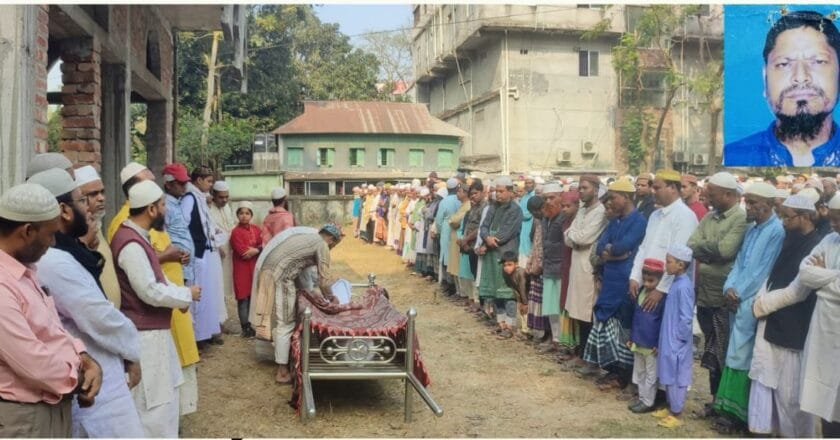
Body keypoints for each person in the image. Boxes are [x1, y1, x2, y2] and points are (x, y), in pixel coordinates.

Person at [31, 168, 144, 438]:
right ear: (65, 211)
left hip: (101, 369)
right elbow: (98, 316)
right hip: (96, 385)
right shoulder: (53, 261)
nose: (90, 208)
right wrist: (132, 350)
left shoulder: (68, 250)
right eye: (83, 200)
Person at [0, 182, 102, 438]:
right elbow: (32, 361)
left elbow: (53, 329)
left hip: (51, 407)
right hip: (23, 417)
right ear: (28, 231)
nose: (53, 242)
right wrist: (81, 378)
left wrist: (86, 359)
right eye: (50, 234)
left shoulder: (25, 272)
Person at [108, 162, 201, 417]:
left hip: (160, 323)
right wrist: (185, 294)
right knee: (151, 410)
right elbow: (148, 288)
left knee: (164, 400)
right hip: (145, 333)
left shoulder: (141, 232)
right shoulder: (128, 237)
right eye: (162, 205)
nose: (165, 209)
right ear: (150, 208)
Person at [751, 194, 840, 436]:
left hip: (804, 326)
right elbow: (805, 275)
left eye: (837, 219)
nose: (833, 224)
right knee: (820, 403)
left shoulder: (815, 241)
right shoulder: (829, 240)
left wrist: (823, 279)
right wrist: (833, 276)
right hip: (819, 331)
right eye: (832, 219)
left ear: (804, 216)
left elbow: (804, 289)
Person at [713, 182, 785, 434]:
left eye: (753, 203)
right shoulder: (753, 229)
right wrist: (729, 288)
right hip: (737, 299)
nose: (748, 207)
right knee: (734, 353)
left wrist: (739, 293)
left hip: (753, 302)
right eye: (748, 202)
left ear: (768, 205)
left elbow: (762, 271)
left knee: (745, 357)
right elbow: (740, 262)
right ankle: (728, 410)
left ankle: (743, 416)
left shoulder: (776, 231)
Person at [724, 11, 840, 167]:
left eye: (818, 61)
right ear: (765, 79)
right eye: (783, 64)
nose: (800, 76)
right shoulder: (732, 157)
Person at [687, 171, 749, 416]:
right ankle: (715, 400)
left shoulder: (740, 218)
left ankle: (725, 404)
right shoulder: (711, 217)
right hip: (704, 294)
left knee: (722, 351)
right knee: (711, 354)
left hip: (724, 298)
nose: (706, 196)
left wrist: (706, 251)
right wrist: (708, 251)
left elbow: (726, 250)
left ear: (728, 194)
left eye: (711, 193)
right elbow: (691, 244)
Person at [251, 224, 343, 384]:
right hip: (280, 278)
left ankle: (286, 360)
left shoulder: (307, 237)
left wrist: (312, 293)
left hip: (267, 272)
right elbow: (324, 279)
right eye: (334, 245)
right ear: (331, 239)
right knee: (286, 323)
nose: (333, 248)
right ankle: (282, 371)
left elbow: (300, 270)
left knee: (278, 319)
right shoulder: (322, 244)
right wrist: (331, 297)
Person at [584, 179, 647, 391]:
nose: (609, 202)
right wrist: (613, 255)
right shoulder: (615, 222)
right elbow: (603, 246)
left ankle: (624, 377)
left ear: (626, 197)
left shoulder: (639, 221)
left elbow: (625, 246)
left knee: (624, 329)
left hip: (625, 282)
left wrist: (613, 253)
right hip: (610, 281)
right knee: (606, 324)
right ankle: (612, 371)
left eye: (613, 197)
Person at [629, 170, 698, 324]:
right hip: (648, 283)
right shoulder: (655, 215)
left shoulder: (685, 216)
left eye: (657, 188)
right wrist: (635, 277)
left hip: (671, 289)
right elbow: (644, 248)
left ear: (672, 188)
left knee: (667, 335)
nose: (653, 192)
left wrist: (661, 290)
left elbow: (678, 260)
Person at [563, 175, 608, 374]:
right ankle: (582, 355)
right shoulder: (581, 210)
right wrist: (575, 238)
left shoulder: (601, 212)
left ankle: (592, 360)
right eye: (580, 188)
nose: (581, 191)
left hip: (588, 268)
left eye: (585, 188)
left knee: (588, 314)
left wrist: (574, 238)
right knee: (578, 314)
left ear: (596, 189)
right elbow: (569, 236)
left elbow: (584, 237)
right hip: (576, 265)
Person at [652, 245, 696, 429]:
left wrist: (680, 339)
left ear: (680, 265)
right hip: (668, 335)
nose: (666, 265)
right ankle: (671, 407)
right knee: (668, 370)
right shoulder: (675, 282)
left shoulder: (684, 287)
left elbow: (686, 317)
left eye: (669, 262)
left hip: (677, 339)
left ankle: (677, 412)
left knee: (677, 374)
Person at [183, 166, 224, 348]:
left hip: (205, 251)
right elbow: (185, 224)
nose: (210, 184)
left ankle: (204, 334)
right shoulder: (190, 198)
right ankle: (197, 337)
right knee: (197, 296)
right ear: (198, 180)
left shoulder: (200, 198)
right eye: (208, 181)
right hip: (196, 253)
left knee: (206, 295)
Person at [478, 177, 523, 329]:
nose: (498, 194)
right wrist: (486, 238)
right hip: (492, 254)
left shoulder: (515, 210)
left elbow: (507, 233)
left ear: (510, 192)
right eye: (497, 191)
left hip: (506, 254)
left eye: (501, 191)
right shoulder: (493, 206)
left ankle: (510, 325)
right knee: (496, 291)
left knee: (508, 291)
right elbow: (483, 226)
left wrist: (490, 242)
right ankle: (500, 322)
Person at [74, 165, 122, 307]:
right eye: (93, 194)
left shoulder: (98, 227)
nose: (101, 198)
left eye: (102, 192)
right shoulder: (77, 234)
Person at [627, 258, 666, 414]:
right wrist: (632, 337)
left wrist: (659, 343)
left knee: (651, 374)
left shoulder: (662, 299)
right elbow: (635, 317)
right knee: (640, 371)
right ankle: (642, 398)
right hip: (638, 340)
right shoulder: (640, 292)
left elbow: (663, 323)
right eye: (645, 280)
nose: (648, 284)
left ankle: (649, 402)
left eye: (652, 281)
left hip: (651, 344)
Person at [230, 201, 262, 339]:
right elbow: (243, 253)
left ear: (251, 215)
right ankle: (245, 327)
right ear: (237, 215)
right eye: (241, 213)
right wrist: (256, 250)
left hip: (254, 268)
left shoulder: (256, 229)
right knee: (243, 298)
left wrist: (257, 249)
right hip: (241, 269)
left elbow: (263, 244)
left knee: (252, 297)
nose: (244, 216)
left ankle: (251, 324)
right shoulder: (235, 232)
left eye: (247, 213)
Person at [209, 180, 237, 323]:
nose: (224, 200)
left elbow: (231, 226)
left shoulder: (227, 208)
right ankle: (216, 322)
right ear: (213, 195)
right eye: (221, 197)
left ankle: (221, 320)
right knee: (216, 287)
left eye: (226, 197)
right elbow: (208, 231)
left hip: (228, 252)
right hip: (215, 253)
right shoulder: (208, 209)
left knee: (225, 288)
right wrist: (217, 246)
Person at [459, 181, 485, 312]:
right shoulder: (474, 208)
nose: (473, 196)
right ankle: (477, 302)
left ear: (482, 192)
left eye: (475, 193)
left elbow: (480, 228)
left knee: (479, 275)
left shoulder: (484, 208)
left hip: (478, 245)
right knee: (474, 274)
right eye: (471, 194)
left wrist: (466, 239)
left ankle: (479, 302)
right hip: (470, 246)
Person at [524, 195, 547, 342]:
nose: (536, 215)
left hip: (544, 268)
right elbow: (535, 244)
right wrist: (530, 262)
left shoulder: (548, 221)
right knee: (535, 300)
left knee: (544, 302)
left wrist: (540, 265)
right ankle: (537, 331)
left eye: (537, 211)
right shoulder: (538, 222)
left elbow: (546, 247)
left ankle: (545, 333)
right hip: (535, 266)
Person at [434, 178, 462, 297]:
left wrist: (440, 231)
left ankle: (449, 285)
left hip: (447, 230)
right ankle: (458, 288)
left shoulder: (444, 202)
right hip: (459, 231)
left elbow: (439, 220)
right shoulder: (461, 200)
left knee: (446, 257)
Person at [447, 183, 471, 304]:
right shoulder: (463, 205)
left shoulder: (468, 206)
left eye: (460, 191)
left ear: (466, 193)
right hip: (455, 238)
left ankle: (463, 294)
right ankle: (459, 292)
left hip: (460, 238)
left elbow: (455, 221)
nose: (457, 193)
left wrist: (452, 220)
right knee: (455, 266)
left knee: (460, 267)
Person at [500, 250, 529, 340]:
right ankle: (522, 331)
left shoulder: (520, 273)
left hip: (529, 295)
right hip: (520, 295)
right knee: (519, 311)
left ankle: (527, 332)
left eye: (509, 264)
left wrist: (524, 302)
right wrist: (519, 301)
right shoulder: (505, 273)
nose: (506, 267)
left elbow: (523, 288)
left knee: (526, 312)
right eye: (505, 265)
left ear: (516, 264)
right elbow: (514, 289)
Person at [518, 176, 537, 267]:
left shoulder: (534, 196)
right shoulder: (524, 196)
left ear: (534, 184)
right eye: (526, 183)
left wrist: (517, 215)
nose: (528, 185)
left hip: (530, 225)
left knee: (528, 247)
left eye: (530, 183)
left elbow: (528, 214)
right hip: (522, 226)